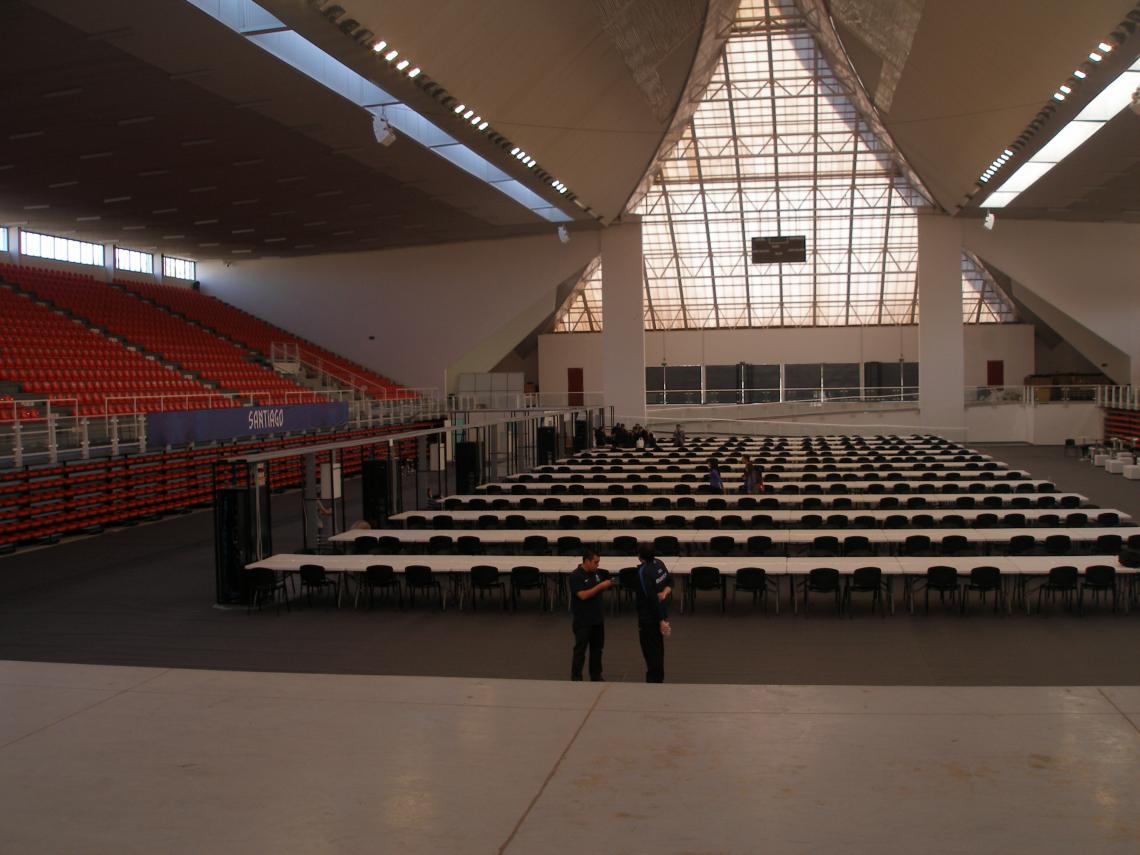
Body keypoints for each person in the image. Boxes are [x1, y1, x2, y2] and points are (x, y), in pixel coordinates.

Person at [568, 548, 613, 682]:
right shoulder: (576, 576)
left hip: (597, 619)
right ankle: (576, 677)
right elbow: (582, 595)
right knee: (580, 651)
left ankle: (596, 676)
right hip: (583, 621)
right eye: (595, 562)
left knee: (597, 650)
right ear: (586, 561)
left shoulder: (596, 573)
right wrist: (601, 586)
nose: (597, 565)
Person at [634, 543, 672, 683]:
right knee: (658, 651)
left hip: (649, 618)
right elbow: (670, 582)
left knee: (650, 653)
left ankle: (653, 683)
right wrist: (664, 592)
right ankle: (658, 680)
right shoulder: (660, 564)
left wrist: (661, 621)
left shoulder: (643, 573)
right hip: (660, 614)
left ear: (640, 557)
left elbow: (651, 599)